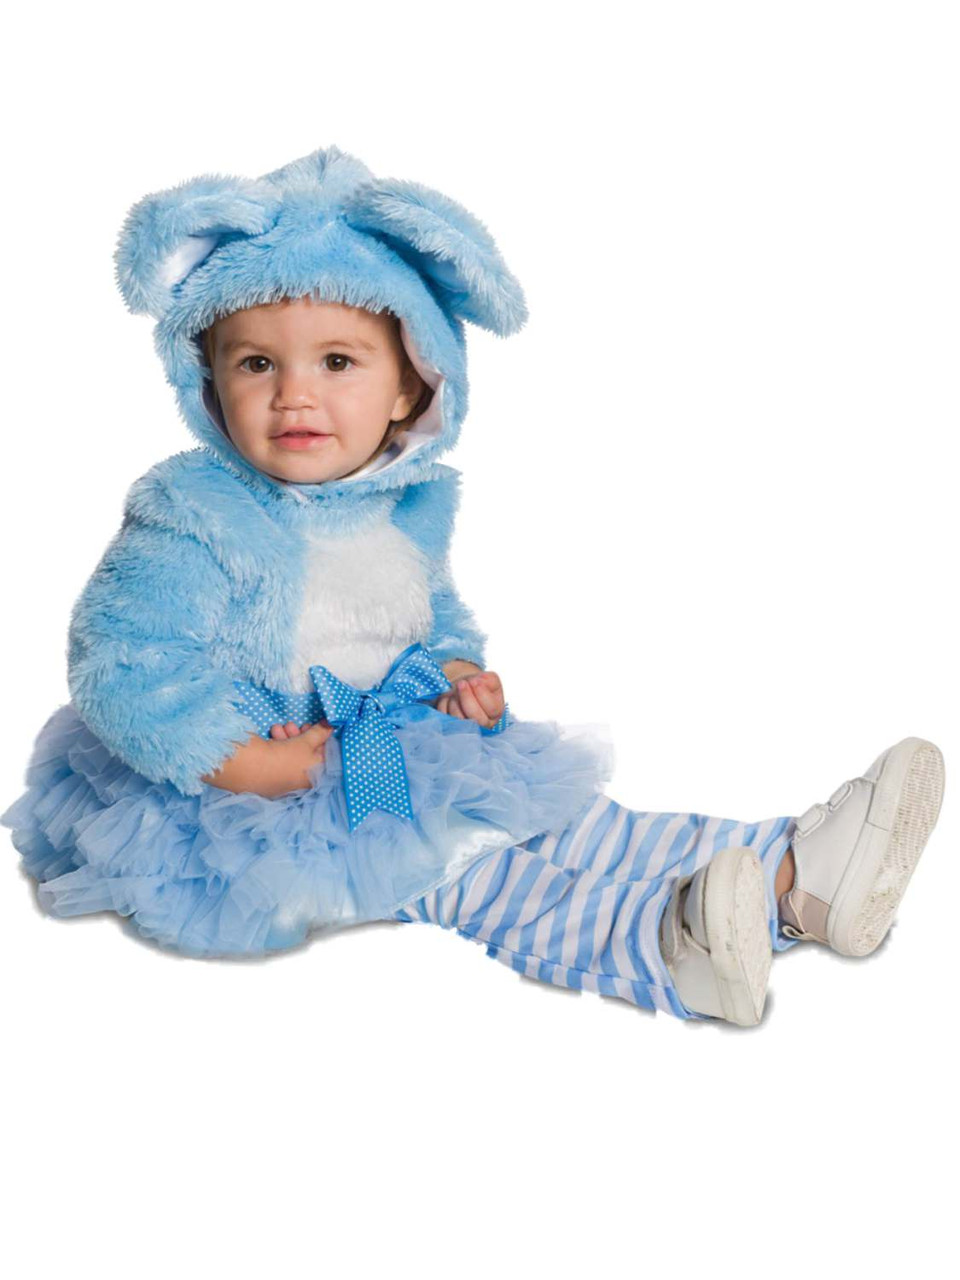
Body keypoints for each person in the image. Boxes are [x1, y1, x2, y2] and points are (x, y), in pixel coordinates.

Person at [1, 145, 945, 1027]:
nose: (294, 394)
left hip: (390, 733)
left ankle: (795, 878)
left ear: (411, 387)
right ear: (207, 381)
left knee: (563, 818)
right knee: (471, 868)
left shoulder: (407, 506)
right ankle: (662, 946)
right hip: (249, 787)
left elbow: (431, 618)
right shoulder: (193, 511)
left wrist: (457, 673)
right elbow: (121, 661)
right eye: (256, 363)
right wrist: (244, 761)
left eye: (338, 361)